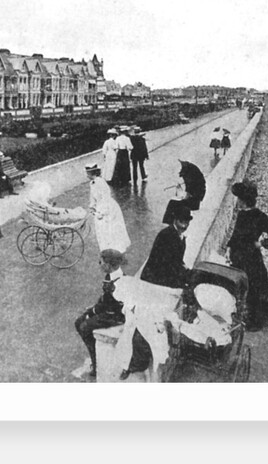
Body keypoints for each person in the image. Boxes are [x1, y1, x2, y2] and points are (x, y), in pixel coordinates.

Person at [121, 203, 194, 379]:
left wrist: (184, 271)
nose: (184, 225)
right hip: (155, 281)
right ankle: (135, 363)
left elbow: (176, 262)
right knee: (146, 322)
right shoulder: (168, 236)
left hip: (163, 276)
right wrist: (184, 279)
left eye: (187, 222)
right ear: (175, 220)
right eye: (182, 221)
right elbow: (167, 265)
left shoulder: (177, 235)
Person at [226, 181, 268, 331]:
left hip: (250, 259)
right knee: (244, 288)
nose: (238, 202)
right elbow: (235, 236)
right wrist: (229, 250)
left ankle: (254, 322)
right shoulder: (243, 214)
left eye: (239, 199)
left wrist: (262, 243)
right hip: (240, 257)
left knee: (253, 290)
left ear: (244, 200)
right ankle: (243, 317)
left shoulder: (259, 216)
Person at [75, 249, 128, 381]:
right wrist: (92, 310)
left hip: (114, 316)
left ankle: (96, 363)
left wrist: (91, 312)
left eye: (101, 262)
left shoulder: (116, 283)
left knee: (84, 327)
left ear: (108, 265)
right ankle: (95, 357)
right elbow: (104, 299)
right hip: (108, 311)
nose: (100, 264)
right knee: (79, 322)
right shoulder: (112, 276)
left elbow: (108, 306)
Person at [86, 163, 131, 254]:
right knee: (102, 231)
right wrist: (92, 206)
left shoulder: (101, 182)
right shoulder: (92, 183)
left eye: (88, 173)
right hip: (99, 208)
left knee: (111, 230)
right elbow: (92, 197)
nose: (87, 175)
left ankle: (116, 251)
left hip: (109, 209)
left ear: (91, 173)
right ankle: (106, 251)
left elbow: (105, 198)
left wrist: (101, 212)